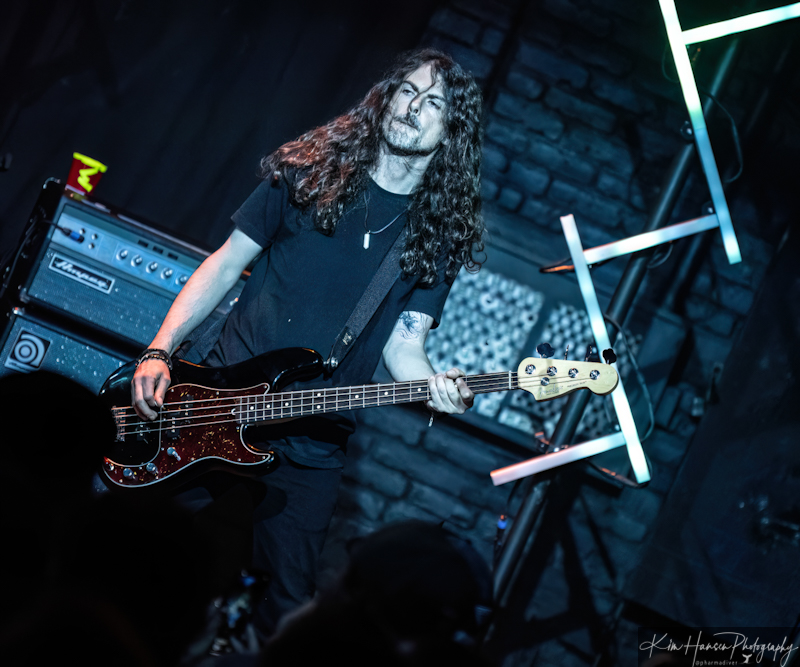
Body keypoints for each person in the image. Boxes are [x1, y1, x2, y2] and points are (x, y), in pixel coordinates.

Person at [130, 47, 485, 639]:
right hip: (216, 402)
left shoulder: (433, 236)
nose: (413, 107)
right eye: (407, 91)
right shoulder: (311, 173)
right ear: (386, 98)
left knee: (289, 608)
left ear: (452, 132)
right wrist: (160, 348)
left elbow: (404, 348)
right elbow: (224, 265)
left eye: (434, 104)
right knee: (135, 551)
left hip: (312, 438)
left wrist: (436, 388)